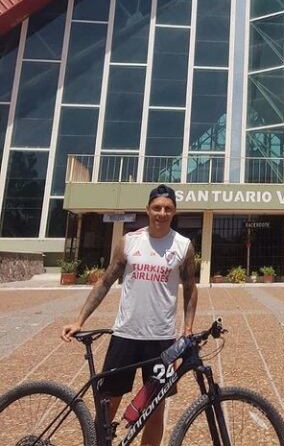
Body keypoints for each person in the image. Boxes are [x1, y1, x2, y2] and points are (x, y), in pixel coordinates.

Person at [62, 184, 198, 446]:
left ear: (174, 212)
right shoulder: (129, 242)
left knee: (155, 408)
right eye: (157, 207)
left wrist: (188, 330)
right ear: (147, 210)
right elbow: (104, 282)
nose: (161, 213)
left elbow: (190, 290)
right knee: (108, 404)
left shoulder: (183, 246)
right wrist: (79, 320)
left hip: (162, 341)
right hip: (125, 335)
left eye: (167, 208)